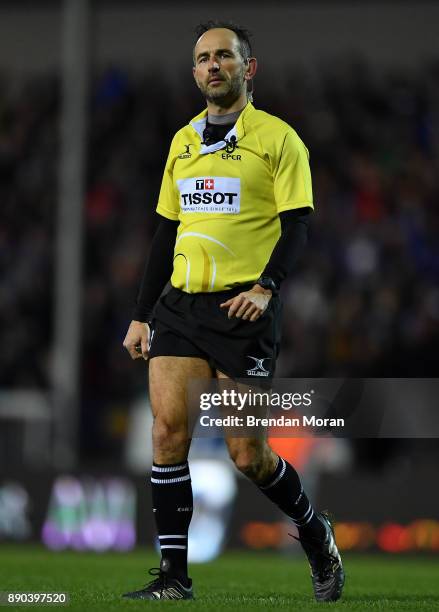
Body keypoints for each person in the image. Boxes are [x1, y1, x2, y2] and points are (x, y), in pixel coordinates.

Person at [122, 20, 344, 602]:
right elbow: (164, 232)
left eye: (225, 55)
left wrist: (267, 287)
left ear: (250, 68)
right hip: (178, 308)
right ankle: (174, 576)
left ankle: (315, 529)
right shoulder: (182, 142)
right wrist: (142, 313)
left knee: (248, 455)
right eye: (203, 58)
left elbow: (298, 224)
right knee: (167, 432)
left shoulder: (279, 139)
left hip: (243, 311)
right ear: (195, 72)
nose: (213, 65)